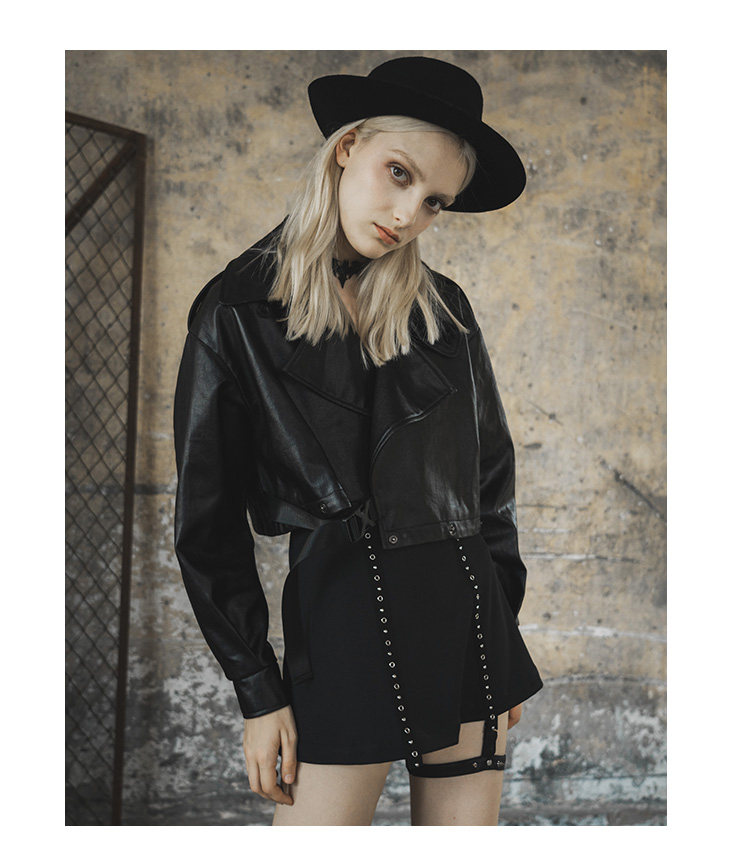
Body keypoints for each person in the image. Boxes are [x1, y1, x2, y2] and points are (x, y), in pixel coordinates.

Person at [172, 55, 544, 826]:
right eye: (398, 173)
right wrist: (258, 691)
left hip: (466, 619)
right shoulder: (236, 313)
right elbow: (206, 530)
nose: (408, 214)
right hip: (342, 622)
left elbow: (490, 482)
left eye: (434, 201)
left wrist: (501, 631)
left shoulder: (444, 310)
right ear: (348, 147)